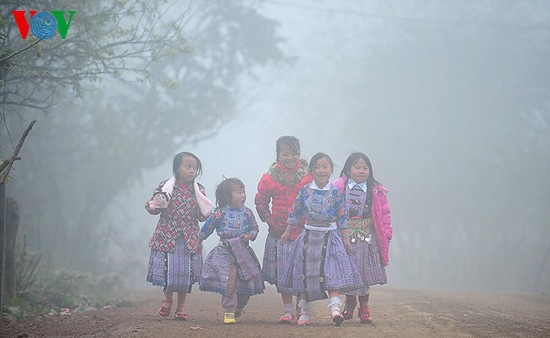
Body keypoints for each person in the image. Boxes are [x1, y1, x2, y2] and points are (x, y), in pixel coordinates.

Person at [281, 152, 362, 326]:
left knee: (331, 273)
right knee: (305, 274)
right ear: (310, 170)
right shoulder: (305, 191)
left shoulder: (336, 193)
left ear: (331, 169)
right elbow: (295, 212)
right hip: (308, 237)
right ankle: (303, 312)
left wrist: (346, 239)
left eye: (325, 166)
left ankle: (335, 310)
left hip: (330, 237)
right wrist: (288, 231)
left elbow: (342, 218)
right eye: (317, 167)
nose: (321, 170)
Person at [145, 151, 214, 321]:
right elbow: (154, 206)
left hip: (189, 236)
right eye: (188, 166)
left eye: (195, 167)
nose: (192, 171)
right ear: (177, 168)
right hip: (168, 234)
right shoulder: (165, 187)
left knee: (185, 273)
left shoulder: (199, 190)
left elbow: (200, 215)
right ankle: (167, 300)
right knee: (170, 270)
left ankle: (181, 307)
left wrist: (208, 213)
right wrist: (154, 206)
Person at [255, 136, 312, 324]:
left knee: (302, 271)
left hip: (304, 231)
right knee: (283, 272)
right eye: (285, 153)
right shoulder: (269, 177)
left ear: (300, 154)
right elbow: (261, 200)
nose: (290, 158)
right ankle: (287, 311)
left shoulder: (308, 176)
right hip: (279, 232)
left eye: (294, 153)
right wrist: (269, 220)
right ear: (278, 155)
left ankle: (302, 308)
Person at [333, 152, 392, 324]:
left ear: (370, 170)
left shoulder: (375, 190)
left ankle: (364, 307)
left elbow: (385, 213)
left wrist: (387, 232)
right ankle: (350, 303)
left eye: (365, 168)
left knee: (364, 273)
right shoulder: (338, 188)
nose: (361, 171)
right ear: (348, 169)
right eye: (357, 167)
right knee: (349, 270)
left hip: (367, 237)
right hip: (345, 237)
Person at [197, 178, 264, 324]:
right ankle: (229, 310)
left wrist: (250, 235)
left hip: (243, 252)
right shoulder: (219, 213)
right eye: (239, 192)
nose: (243, 195)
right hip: (224, 252)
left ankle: (239, 307)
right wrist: (199, 241)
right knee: (229, 282)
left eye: (243, 191)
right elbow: (207, 227)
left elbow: (255, 228)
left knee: (247, 282)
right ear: (227, 196)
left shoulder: (247, 213)